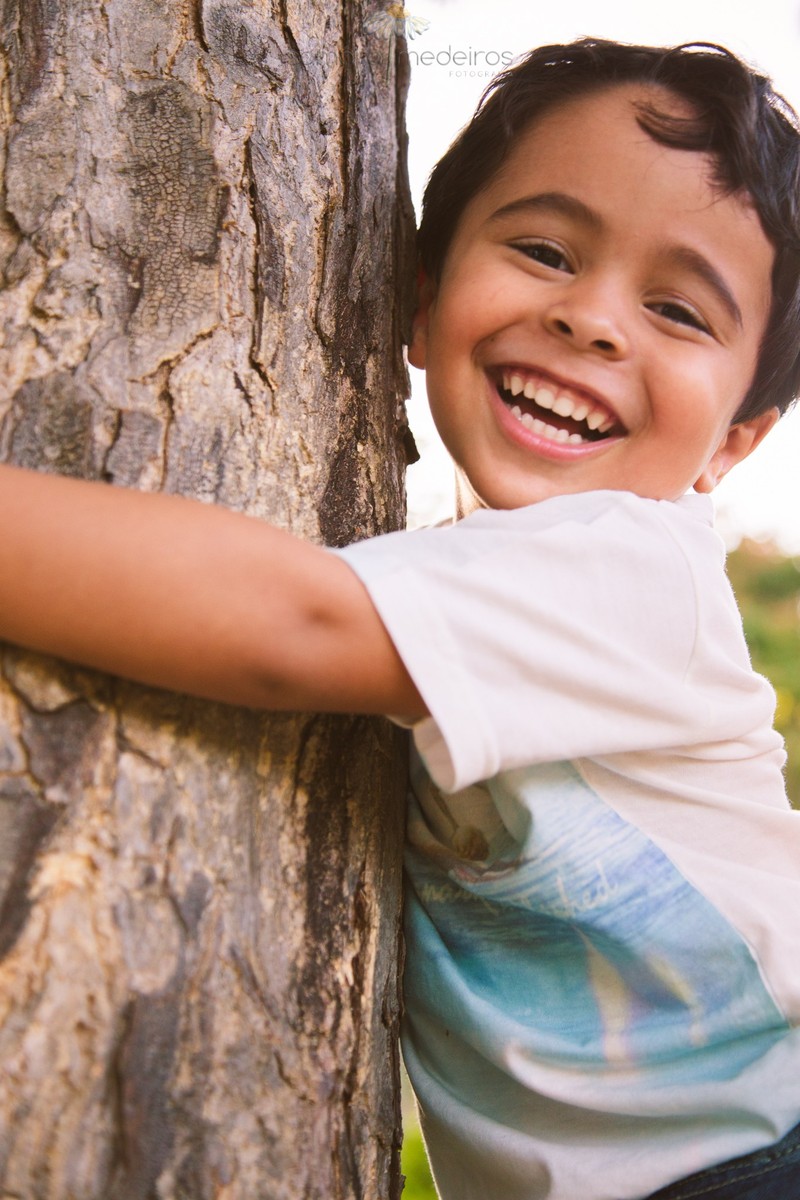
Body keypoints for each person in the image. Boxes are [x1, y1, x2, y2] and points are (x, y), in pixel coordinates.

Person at [1, 35, 800, 1200]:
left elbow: (287, 623)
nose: (590, 319)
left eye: (676, 311)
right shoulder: (459, 584)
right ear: (419, 302)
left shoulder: (635, 574)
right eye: (541, 249)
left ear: (732, 440)